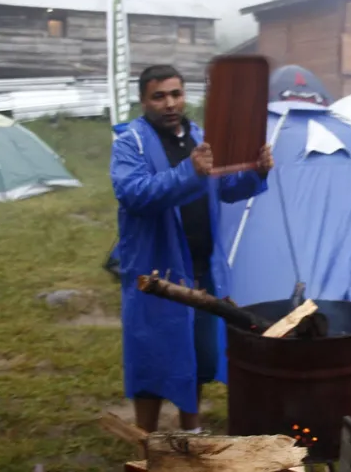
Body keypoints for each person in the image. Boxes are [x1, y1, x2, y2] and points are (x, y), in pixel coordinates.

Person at [110, 64, 274, 433]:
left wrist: (257, 172)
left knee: (199, 356)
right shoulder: (129, 142)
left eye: (176, 94)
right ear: (143, 100)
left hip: (202, 268)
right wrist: (190, 172)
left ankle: (191, 433)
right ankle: (147, 441)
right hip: (156, 270)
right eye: (159, 96)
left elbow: (226, 187)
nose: (170, 103)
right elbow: (134, 193)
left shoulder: (201, 136)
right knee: (152, 358)